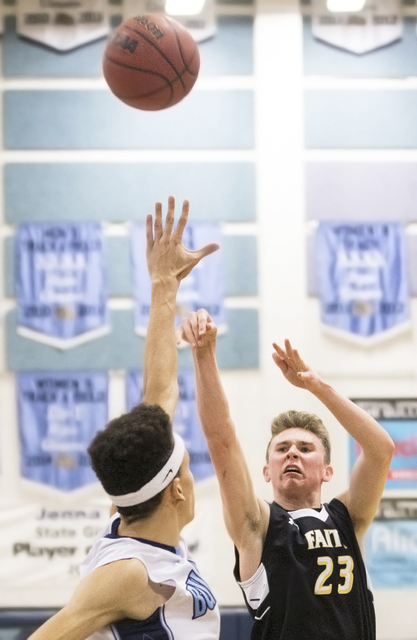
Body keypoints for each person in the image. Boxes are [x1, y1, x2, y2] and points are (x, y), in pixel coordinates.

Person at [29, 198, 220, 640]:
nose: (192, 480)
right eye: (188, 470)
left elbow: (159, 392)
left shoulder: (131, 514)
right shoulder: (128, 573)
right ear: (174, 489)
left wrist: (163, 287)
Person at [176, 309, 395, 640]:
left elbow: (381, 450)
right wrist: (204, 353)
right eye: (282, 448)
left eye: (306, 448)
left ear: (327, 471)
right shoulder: (257, 524)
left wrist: (316, 385)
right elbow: (221, 440)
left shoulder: (347, 517)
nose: (293, 452)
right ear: (267, 471)